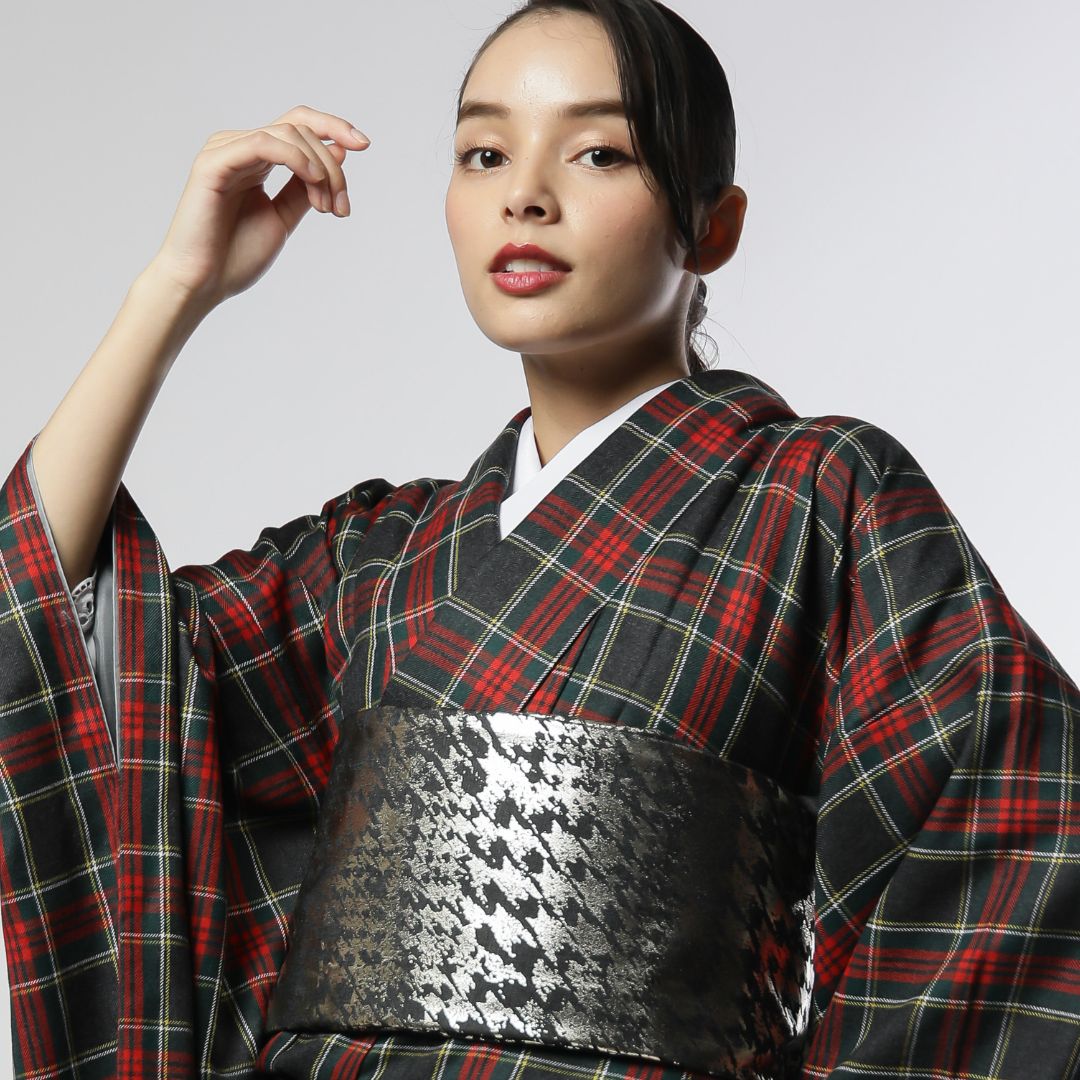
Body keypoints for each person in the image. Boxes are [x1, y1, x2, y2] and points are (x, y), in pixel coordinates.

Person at [1, 0, 1077, 1077]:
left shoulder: (821, 497)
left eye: (599, 152)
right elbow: (60, 643)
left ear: (712, 225)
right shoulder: (376, 555)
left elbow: (1007, 834)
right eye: (484, 153)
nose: (524, 194)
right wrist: (173, 291)